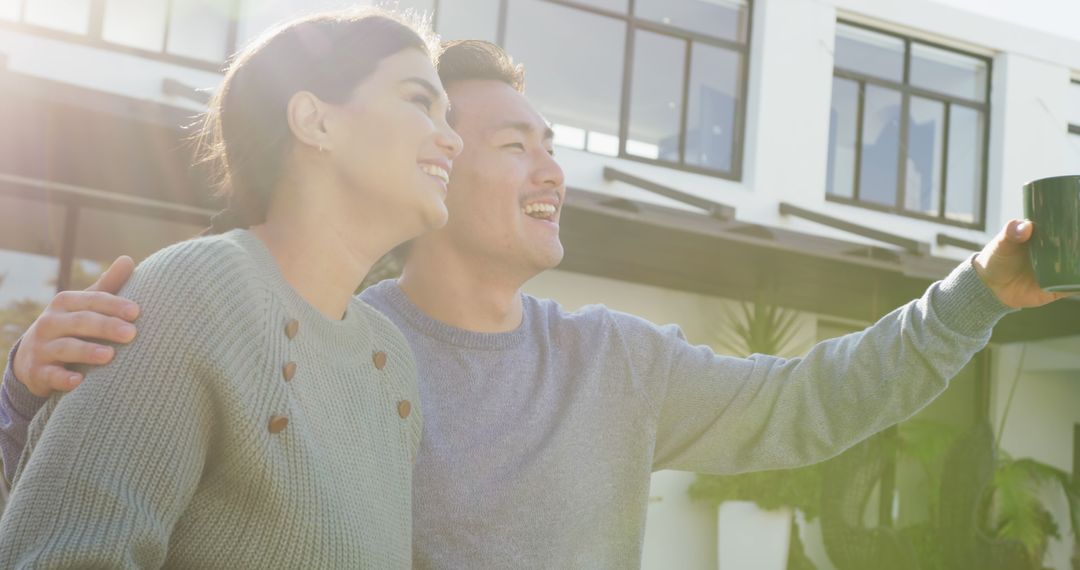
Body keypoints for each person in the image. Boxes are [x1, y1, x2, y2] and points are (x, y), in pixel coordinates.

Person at [2, 40, 1072, 568]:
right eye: (514, 145)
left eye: (553, 145)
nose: (552, 170)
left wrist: (977, 295)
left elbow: (813, 399)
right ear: (438, 160)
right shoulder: (327, 340)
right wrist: (23, 401)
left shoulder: (615, 362)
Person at [0, 8, 462, 568]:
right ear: (315, 121)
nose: (453, 140)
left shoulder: (391, 363)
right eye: (420, 102)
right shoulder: (192, 292)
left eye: (449, 115)